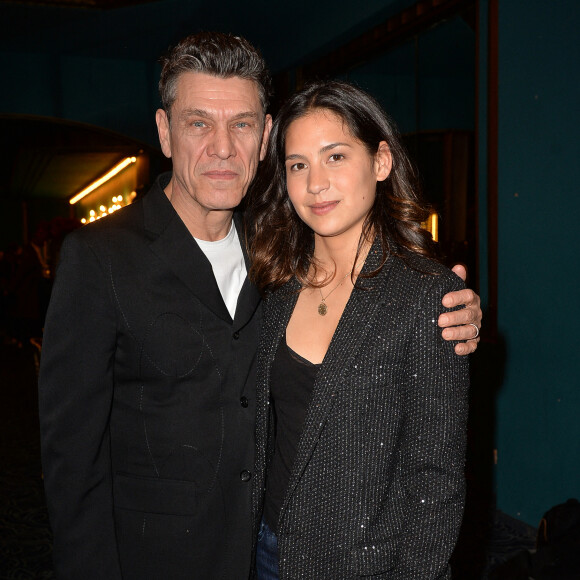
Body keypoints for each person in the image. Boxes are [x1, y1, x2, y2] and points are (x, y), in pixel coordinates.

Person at [39, 33, 480, 580]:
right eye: (199, 122)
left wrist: (457, 310)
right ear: (164, 131)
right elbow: (70, 459)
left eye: (242, 124)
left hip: (268, 552)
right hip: (155, 556)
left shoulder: (274, 252)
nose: (222, 147)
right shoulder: (100, 258)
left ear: (265, 134)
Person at [248, 80, 470, 579]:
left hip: (363, 563)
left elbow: (436, 479)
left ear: (381, 162)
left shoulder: (425, 296)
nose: (315, 184)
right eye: (298, 165)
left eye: (336, 157)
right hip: (265, 544)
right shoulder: (276, 284)